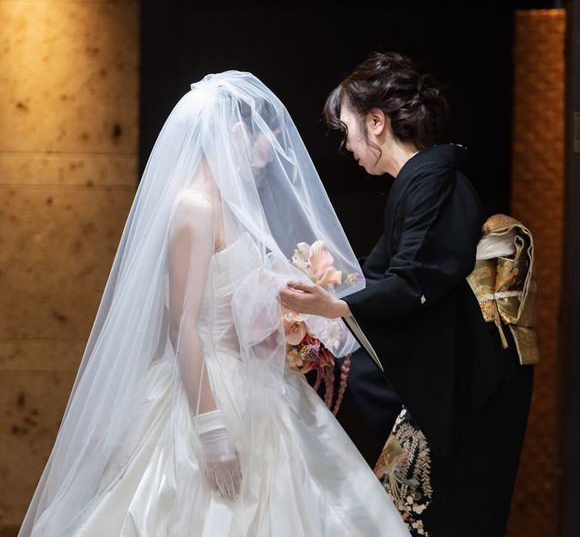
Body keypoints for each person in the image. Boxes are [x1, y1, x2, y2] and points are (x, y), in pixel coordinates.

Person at [18, 71, 410, 537]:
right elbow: (182, 327)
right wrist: (211, 431)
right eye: (265, 142)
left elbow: (234, 304)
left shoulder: (229, 206)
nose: (269, 157)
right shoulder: (195, 207)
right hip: (209, 387)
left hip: (256, 385)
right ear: (234, 133)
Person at [280, 52, 534, 537]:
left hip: (468, 383)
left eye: (348, 129)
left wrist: (335, 306)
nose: (347, 145)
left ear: (376, 122)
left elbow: (417, 280)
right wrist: (319, 288)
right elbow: (375, 277)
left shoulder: (434, 181)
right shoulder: (419, 183)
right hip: (449, 376)